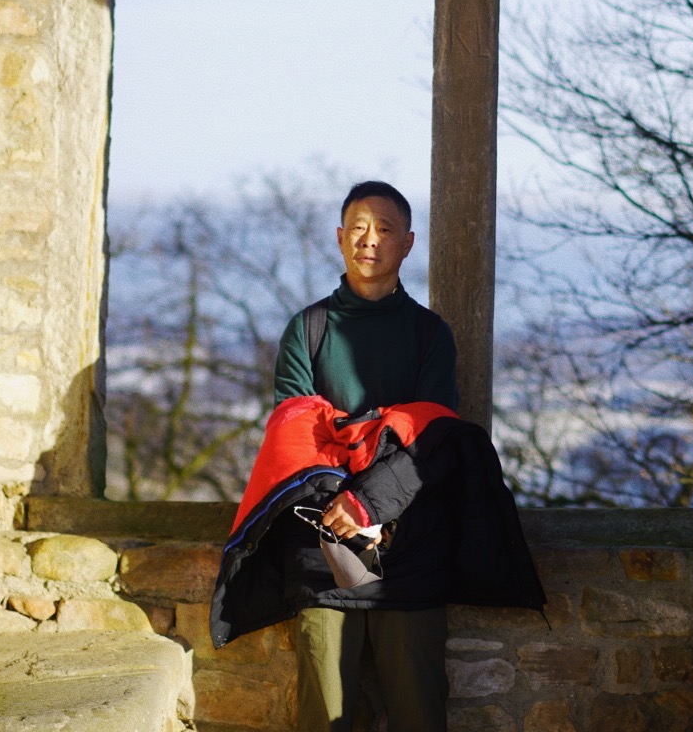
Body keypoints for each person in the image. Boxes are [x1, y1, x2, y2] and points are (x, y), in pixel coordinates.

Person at [208, 181, 544, 732]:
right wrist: (342, 508)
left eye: (385, 229)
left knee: (418, 711)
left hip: (412, 547)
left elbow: (431, 442)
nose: (370, 240)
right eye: (359, 228)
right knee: (324, 715)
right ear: (340, 238)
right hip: (320, 550)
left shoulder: (429, 334)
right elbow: (293, 440)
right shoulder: (308, 329)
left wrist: (367, 503)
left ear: (407, 243)